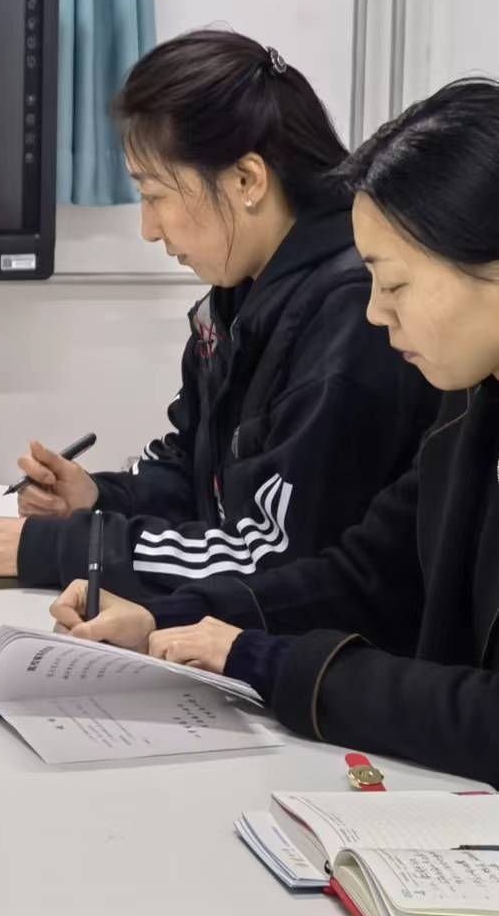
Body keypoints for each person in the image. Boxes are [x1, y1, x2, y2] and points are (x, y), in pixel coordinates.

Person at [50, 78, 499, 783]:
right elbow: (367, 576)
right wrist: (168, 620)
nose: (376, 314)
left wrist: (264, 660)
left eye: (395, 284)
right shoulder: (470, 406)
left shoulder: (350, 329)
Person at [0, 29, 437, 597]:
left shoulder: (350, 319)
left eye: (154, 195)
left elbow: (274, 561)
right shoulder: (237, 298)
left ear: (247, 180)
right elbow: (196, 476)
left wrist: (59, 549)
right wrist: (98, 498)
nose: (148, 229)